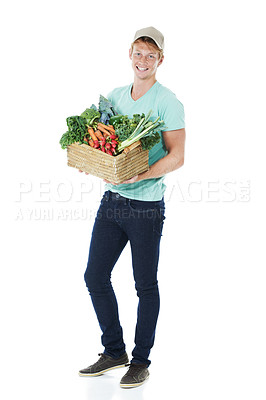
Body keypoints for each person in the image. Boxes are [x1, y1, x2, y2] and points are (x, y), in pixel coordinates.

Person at [79, 26, 186, 388]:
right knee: (95, 276)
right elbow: (102, 146)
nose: (143, 60)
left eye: (151, 55)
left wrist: (143, 173)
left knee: (145, 285)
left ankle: (140, 361)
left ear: (160, 60)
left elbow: (178, 157)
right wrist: (90, 160)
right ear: (130, 53)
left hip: (145, 208)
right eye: (139, 53)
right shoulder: (114, 97)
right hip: (111, 202)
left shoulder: (168, 102)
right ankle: (114, 351)